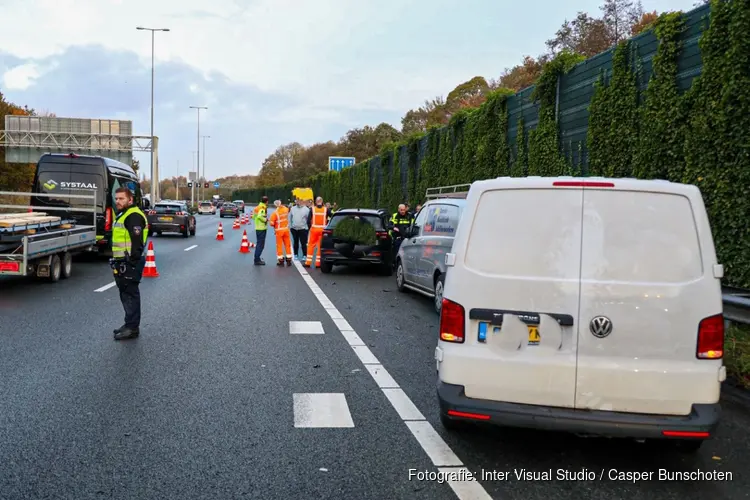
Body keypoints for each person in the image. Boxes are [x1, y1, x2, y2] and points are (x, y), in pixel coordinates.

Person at [110, 187, 149, 340]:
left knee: (131, 294)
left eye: (121, 199)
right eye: (117, 198)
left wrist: (131, 263)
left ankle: (132, 328)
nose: (118, 201)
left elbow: (137, 242)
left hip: (130, 262)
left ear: (130, 200)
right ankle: (129, 323)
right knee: (125, 294)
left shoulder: (133, 216)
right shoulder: (124, 214)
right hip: (122, 261)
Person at [305, 196, 330, 269]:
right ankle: (318, 263)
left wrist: (310, 228)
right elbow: (332, 217)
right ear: (322, 202)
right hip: (322, 230)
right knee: (319, 247)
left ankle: (308, 262)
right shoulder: (326, 210)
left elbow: (308, 220)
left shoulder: (312, 209)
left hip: (314, 230)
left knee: (310, 245)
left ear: (316, 202)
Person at [269, 199, 293, 266]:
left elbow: (271, 223)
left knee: (279, 245)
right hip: (286, 230)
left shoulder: (275, 213)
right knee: (287, 245)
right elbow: (288, 210)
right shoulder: (285, 209)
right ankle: (289, 260)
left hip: (279, 231)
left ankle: (281, 260)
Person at [253, 196, 269, 265]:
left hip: (257, 227)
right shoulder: (262, 208)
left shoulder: (257, 207)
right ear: (267, 201)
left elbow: (254, 217)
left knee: (259, 243)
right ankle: (257, 259)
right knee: (260, 245)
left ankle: (257, 258)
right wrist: (265, 219)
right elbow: (260, 216)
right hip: (262, 228)